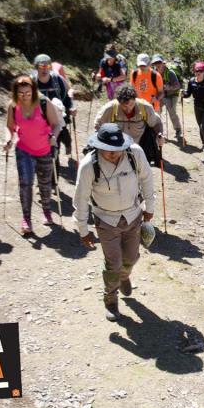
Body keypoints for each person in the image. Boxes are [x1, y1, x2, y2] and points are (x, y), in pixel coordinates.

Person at [73, 123, 155, 321]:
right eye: (109, 151)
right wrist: (83, 230)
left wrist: (149, 208)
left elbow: (147, 179)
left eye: (117, 150)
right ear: (99, 146)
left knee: (132, 258)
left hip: (133, 216)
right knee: (114, 264)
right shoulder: (88, 165)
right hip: (106, 220)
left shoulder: (134, 154)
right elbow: (80, 199)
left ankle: (124, 276)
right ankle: (110, 300)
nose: (114, 154)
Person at [3, 75, 61, 234]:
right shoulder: (13, 106)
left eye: (28, 93)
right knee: (26, 183)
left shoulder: (44, 103)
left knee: (44, 183)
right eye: (21, 93)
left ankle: (47, 210)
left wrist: (53, 137)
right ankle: (26, 219)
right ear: (16, 93)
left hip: (44, 149)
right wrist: (8, 140)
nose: (25, 96)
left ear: (33, 91)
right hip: (24, 149)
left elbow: (56, 124)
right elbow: (9, 127)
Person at [94, 84, 164, 166]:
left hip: (139, 149)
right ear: (118, 102)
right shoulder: (110, 109)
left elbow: (156, 123)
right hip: (116, 150)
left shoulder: (145, 108)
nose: (128, 109)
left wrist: (160, 135)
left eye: (131, 105)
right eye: (124, 106)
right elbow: (98, 126)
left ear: (135, 99)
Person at [33, 53, 76, 177]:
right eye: (41, 67)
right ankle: (44, 177)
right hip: (39, 120)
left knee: (54, 145)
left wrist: (71, 106)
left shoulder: (57, 79)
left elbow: (67, 95)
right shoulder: (32, 82)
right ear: (37, 68)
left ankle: (52, 180)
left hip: (57, 118)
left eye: (47, 67)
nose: (45, 70)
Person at [182, 61, 204, 153]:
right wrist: (183, 94)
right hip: (197, 107)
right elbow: (188, 93)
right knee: (200, 127)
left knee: (203, 127)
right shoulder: (192, 82)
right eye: (196, 71)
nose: (198, 73)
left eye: (200, 71)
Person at [151, 54, 182, 139]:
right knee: (157, 111)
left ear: (163, 63)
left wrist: (169, 87)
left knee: (172, 112)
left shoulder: (170, 73)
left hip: (172, 95)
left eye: (159, 62)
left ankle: (178, 130)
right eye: (155, 62)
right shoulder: (154, 73)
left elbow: (177, 85)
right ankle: (157, 130)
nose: (157, 64)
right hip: (161, 95)